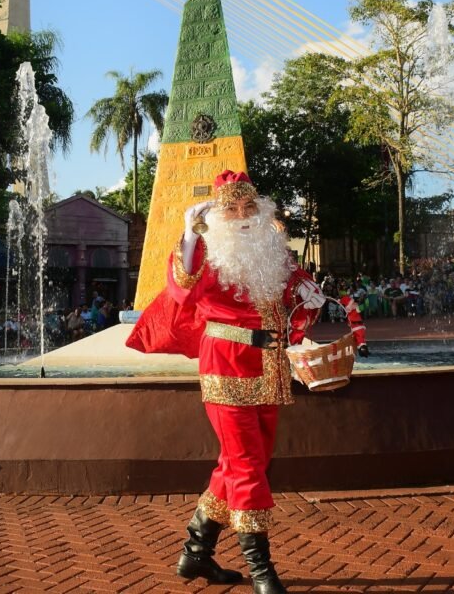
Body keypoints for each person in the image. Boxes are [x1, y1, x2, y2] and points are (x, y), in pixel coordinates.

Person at [128, 171, 330, 594]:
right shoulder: (205, 250)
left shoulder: (272, 249)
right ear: (217, 216)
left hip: (270, 369)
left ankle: (195, 554)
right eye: (232, 209)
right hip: (227, 366)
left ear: (260, 211)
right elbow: (182, 289)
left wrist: (309, 294)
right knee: (248, 467)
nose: (241, 215)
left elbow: (293, 292)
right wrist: (187, 230)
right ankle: (262, 571)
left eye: (248, 207)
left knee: (236, 465)